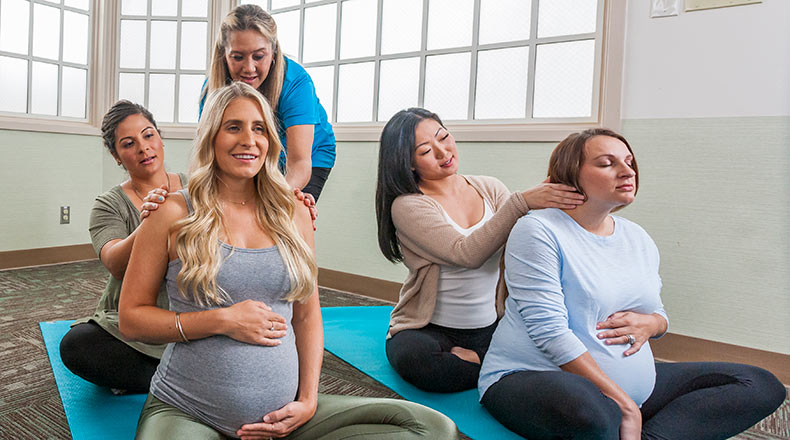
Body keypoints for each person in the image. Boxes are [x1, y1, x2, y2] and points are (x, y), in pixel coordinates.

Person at [119, 83, 459, 440]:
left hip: (287, 417)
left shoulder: (294, 211)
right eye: (233, 127)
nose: (249, 139)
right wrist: (221, 320)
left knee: (433, 428)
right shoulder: (171, 212)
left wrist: (308, 401)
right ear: (211, 137)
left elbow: (307, 314)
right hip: (189, 410)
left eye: (259, 128)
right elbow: (132, 319)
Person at [478, 128, 786, 439]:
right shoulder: (538, 230)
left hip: (632, 386)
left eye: (629, 161)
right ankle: (623, 418)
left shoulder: (637, 237)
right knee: (594, 415)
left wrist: (652, 324)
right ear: (571, 174)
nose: (627, 171)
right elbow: (549, 332)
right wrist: (625, 404)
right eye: (606, 163)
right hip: (533, 376)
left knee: (759, 384)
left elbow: (658, 313)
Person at [375, 108, 586, 392]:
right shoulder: (408, 205)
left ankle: (481, 360)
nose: (442, 152)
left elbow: (522, 241)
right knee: (419, 362)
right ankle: (498, 366)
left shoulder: (490, 187)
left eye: (444, 137)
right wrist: (520, 202)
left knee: (555, 343)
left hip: (492, 326)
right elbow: (467, 254)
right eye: (425, 151)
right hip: (429, 329)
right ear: (408, 163)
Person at [59, 101, 186, 394]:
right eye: (129, 144)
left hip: (191, 310)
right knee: (77, 346)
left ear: (160, 138)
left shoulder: (199, 187)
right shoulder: (108, 204)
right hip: (135, 322)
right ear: (116, 156)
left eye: (148, 135)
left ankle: (172, 372)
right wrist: (152, 221)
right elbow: (114, 262)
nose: (143, 148)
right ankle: (180, 376)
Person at [200, 4, 335, 202]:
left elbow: (299, 163)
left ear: (273, 51)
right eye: (237, 57)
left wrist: (272, 203)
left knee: (282, 216)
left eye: (259, 56)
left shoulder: (296, 82)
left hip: (308, 157)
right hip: (255, 153)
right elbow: (206, 159)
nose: (249, 68)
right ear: (224, 54)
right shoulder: (213, 88)